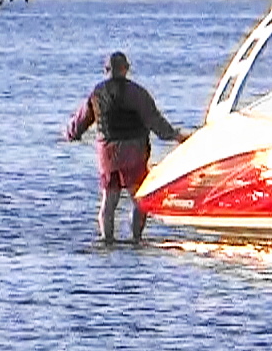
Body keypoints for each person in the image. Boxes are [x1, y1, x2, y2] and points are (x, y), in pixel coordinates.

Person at [65, 51, 189, 244]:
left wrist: (71, 134)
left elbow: (80, 122)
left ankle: (107, 240)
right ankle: (136, 239)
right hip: (134, 152)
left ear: (106, 70)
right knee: (138, 198)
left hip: (107, 154)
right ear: (126, 69)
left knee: (109, 200)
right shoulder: (137, 93)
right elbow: (154, 120)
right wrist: (175, 135)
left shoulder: (96, 93)